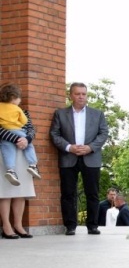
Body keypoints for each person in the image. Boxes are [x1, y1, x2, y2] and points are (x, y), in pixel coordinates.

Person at [50, 82, 109, 236]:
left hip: (91, 157)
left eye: (84, 94)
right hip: (68, 157)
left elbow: (103, 134)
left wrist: (90, 147)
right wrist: (69, 147)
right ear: (71, 95)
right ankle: (70, 226)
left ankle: (93, 226)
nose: (81, 97)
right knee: (68, 193)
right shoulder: (60, 114)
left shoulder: (98, 114)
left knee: (93, 193)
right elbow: (54, 134)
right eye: (78, 94)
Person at [0, 98, 36, 239]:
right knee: (6, 191)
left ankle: (18, 225)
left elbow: (31, 129)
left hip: (23, 153)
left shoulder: (23, 112)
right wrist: (16, 139)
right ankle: (6, 226)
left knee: (21, 191)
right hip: (5, 155)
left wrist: (27, 139)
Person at [0, 83, 41, 185]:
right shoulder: (17, 109)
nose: (20, 100)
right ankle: (32, 165)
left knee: (7, 149)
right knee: (29, 147)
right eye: (19, 98)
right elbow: (24, 121)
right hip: (18, 133)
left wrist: (27, 139)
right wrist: (23, 139)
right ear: (13, 97)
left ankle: (10, 170)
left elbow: (31, 130)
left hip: (6, 136)